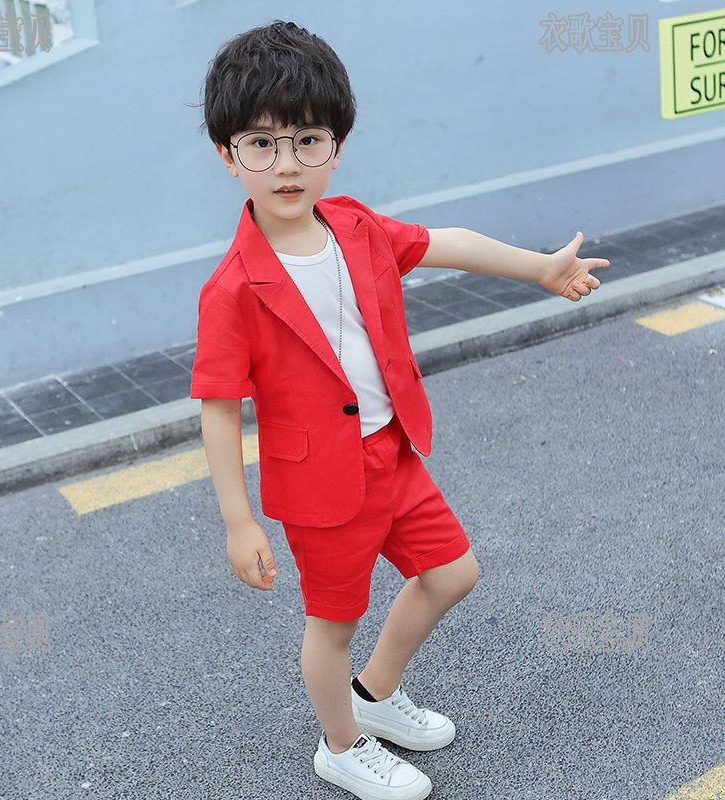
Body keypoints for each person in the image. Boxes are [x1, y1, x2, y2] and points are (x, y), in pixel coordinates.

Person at [190, 19, 609, 800]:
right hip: (319, 486)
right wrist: (237, 521)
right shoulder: (232, 289)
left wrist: (539, 270)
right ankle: (341, 746)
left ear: (336, 146)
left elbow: (447, 242)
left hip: (392, 452)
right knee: (332, 624)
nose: (288, 164)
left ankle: (374, 697)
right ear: (228, 154)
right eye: (261, 144)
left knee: (452, 573)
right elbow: (218, 408)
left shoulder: (354, 226)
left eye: (307, 140)